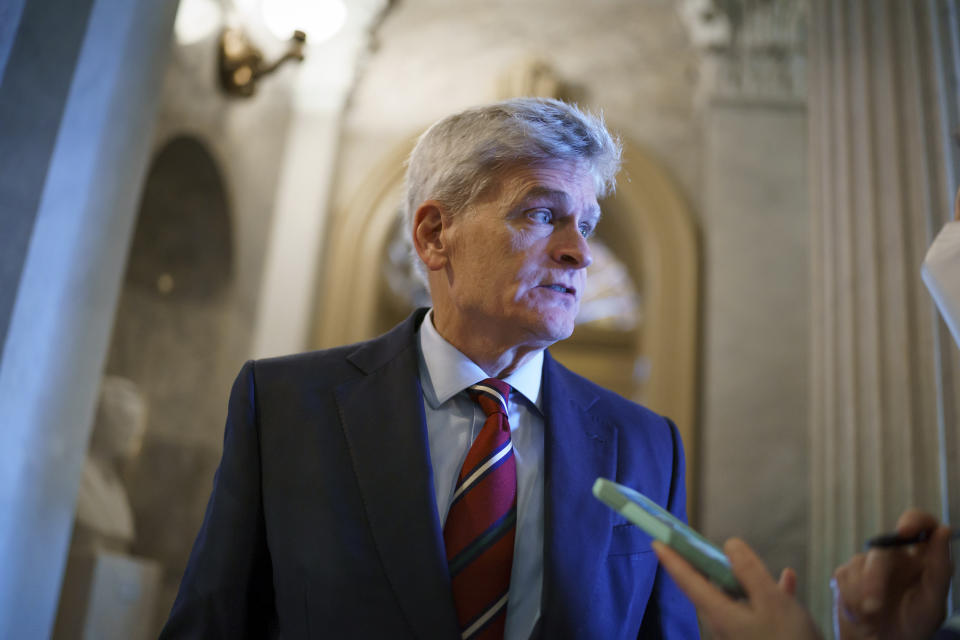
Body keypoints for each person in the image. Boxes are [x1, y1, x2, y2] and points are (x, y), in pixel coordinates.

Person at [159, 97, 699, 639]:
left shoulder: (646, 446)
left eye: (586, 225)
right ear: (435, 235)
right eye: (542, 214)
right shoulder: (284, 406)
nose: (579, 253)